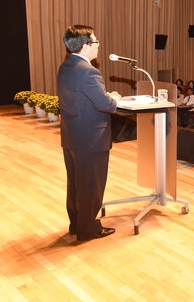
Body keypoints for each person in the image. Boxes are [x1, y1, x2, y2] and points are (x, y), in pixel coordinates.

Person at [57, 25, 119, 241]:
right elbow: (105, 104)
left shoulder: (66, 67)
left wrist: (103, 96)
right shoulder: (89, 71)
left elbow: (83, 98)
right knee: (91, 185)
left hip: (73, 136)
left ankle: (77, 223)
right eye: (95, 42)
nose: (98, 45)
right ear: (85, 46)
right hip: (91, 139)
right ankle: (88, 229)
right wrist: (114, 99)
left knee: (75, 183)